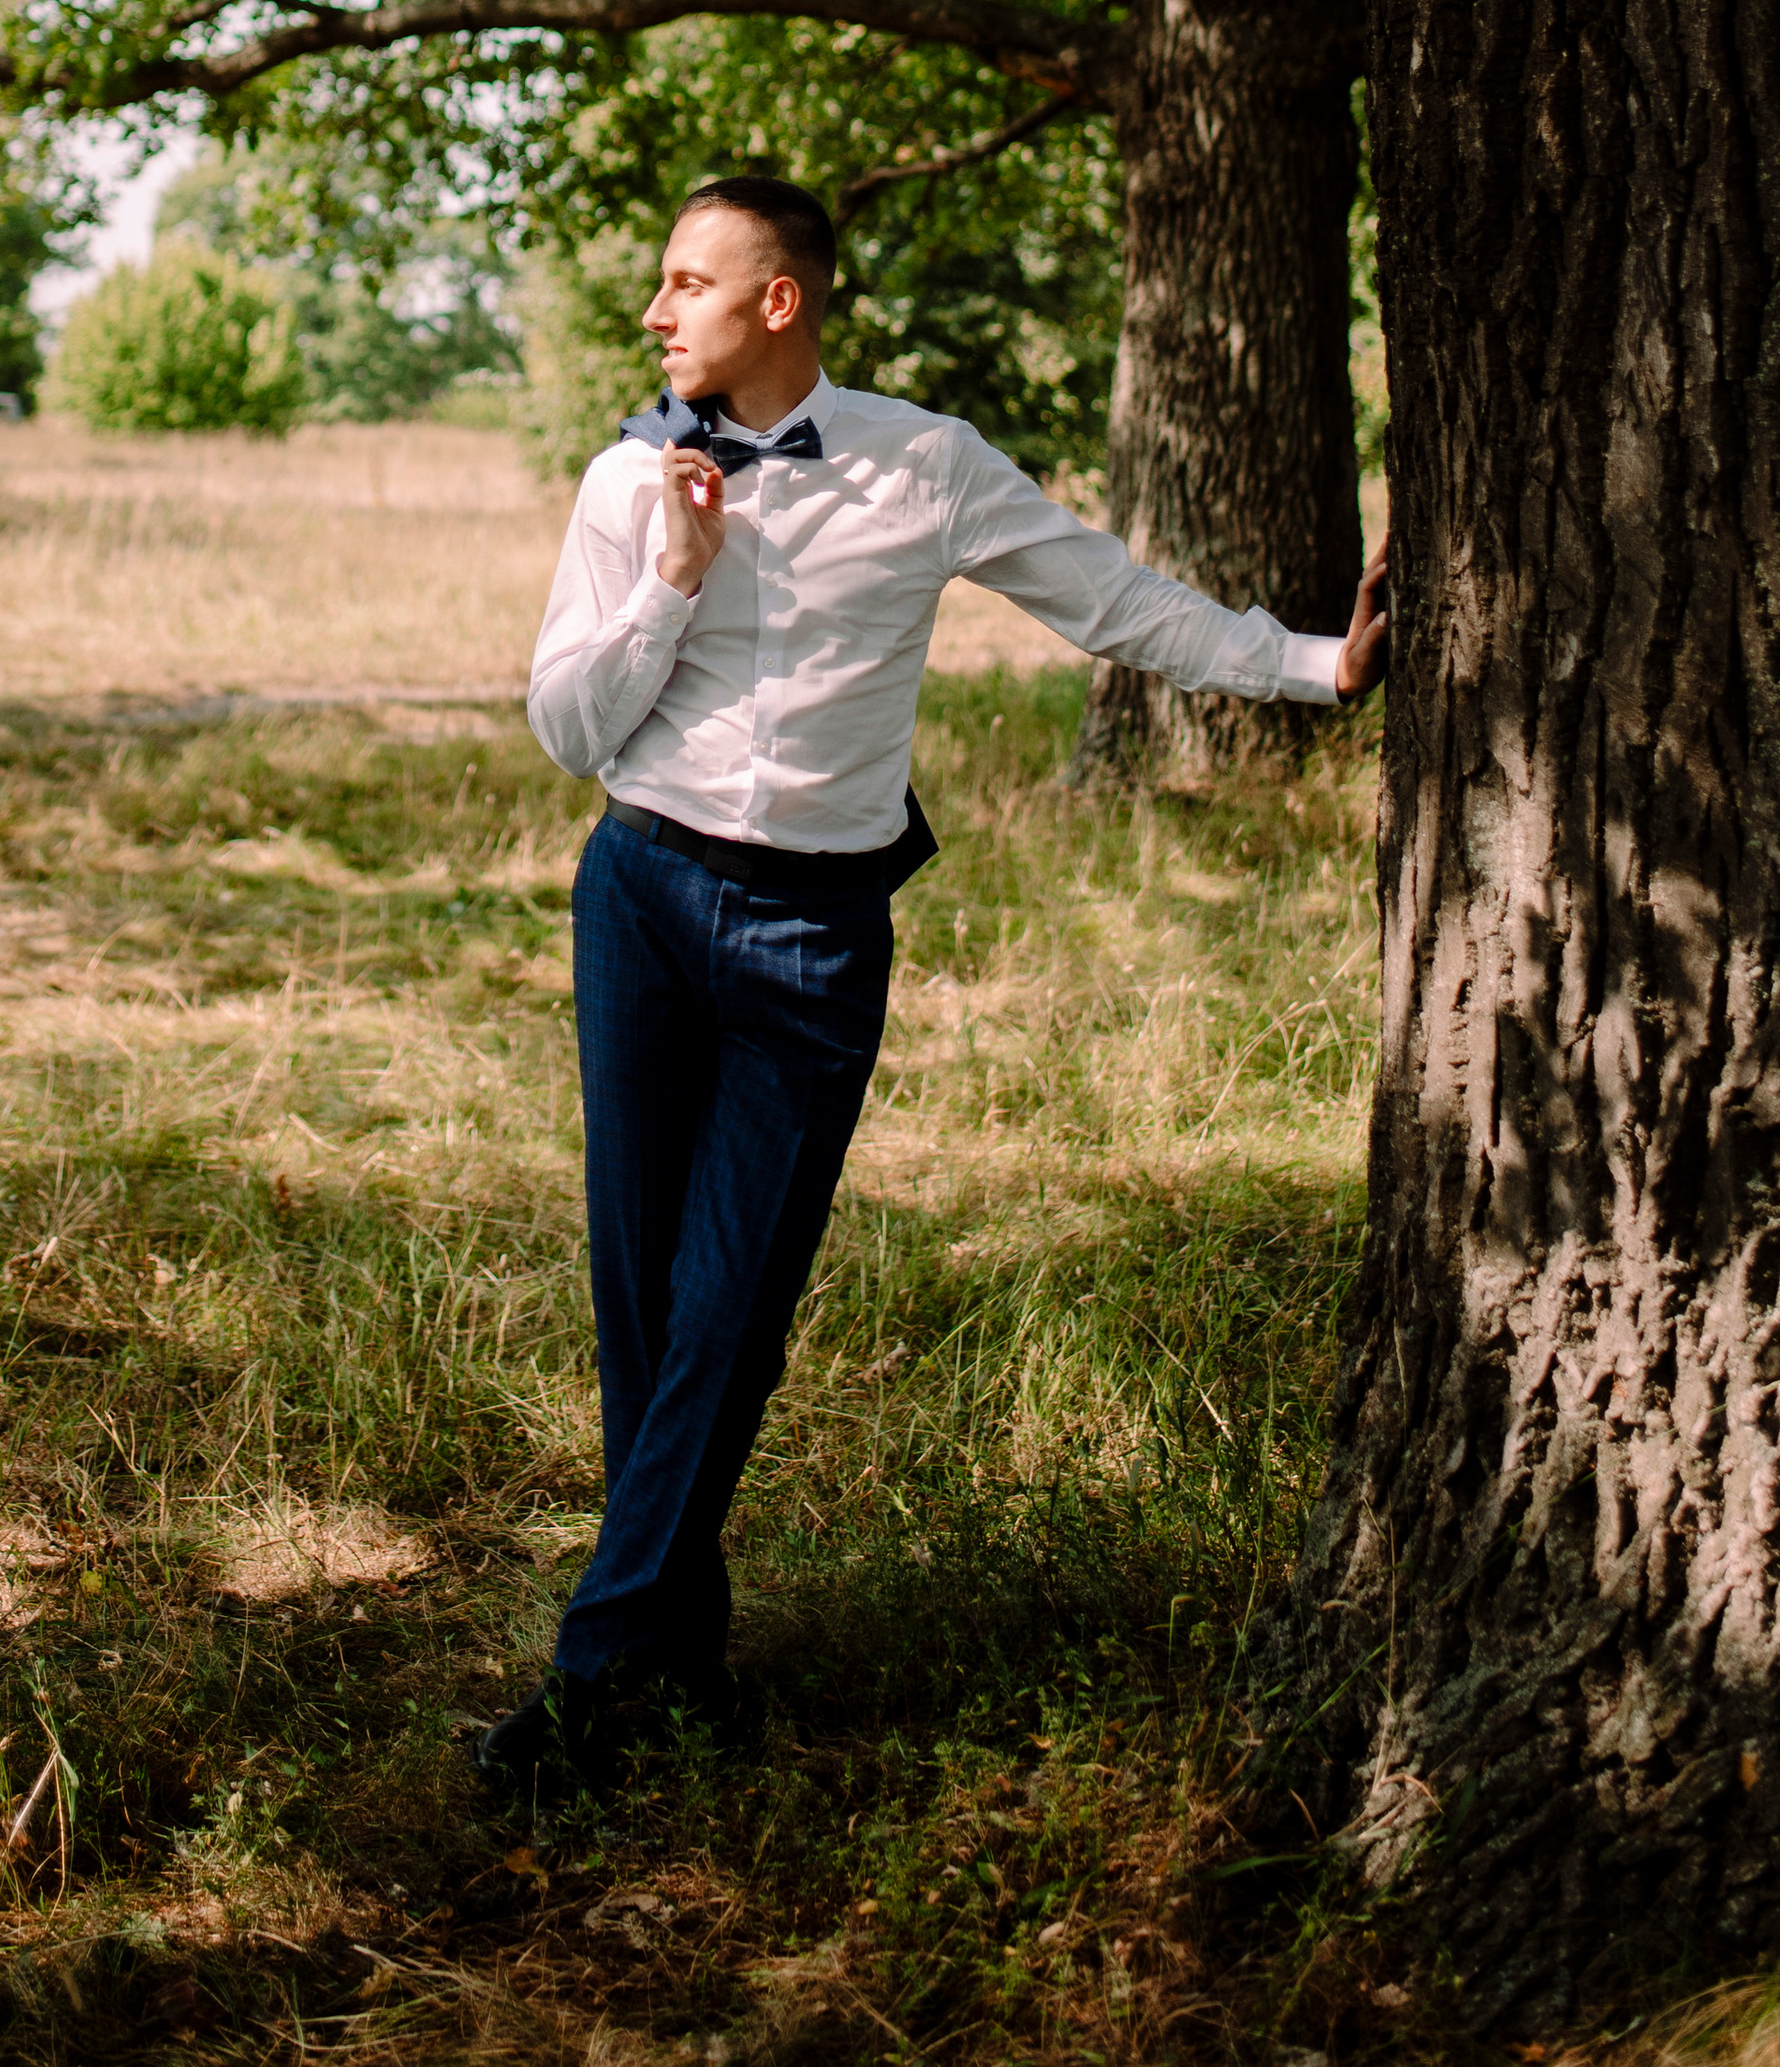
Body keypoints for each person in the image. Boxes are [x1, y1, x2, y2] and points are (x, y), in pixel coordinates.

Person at [476, 170, 1390, 1799]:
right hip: (641, 896)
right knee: (641, 1306)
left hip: (815, 940)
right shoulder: (629, 476)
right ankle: (671, 1664)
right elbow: (568, 729)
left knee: (733, 1315)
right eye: (656, 283)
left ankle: (590, 1677)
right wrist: (679, 572)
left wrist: (1314, 661)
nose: (654, 308)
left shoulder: (927, 462)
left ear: (782, 299)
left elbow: (1115, 605)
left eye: (687, 281)